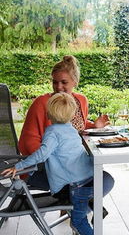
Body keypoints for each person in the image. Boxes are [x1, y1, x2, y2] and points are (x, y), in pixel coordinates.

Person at [1, 93, 114, 235]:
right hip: (89, 176)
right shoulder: (71, 129)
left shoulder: (52, 132)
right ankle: (95, 204)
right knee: (76, 199)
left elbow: (42, 154)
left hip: (77, 186)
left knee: (78, 220)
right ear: (72, 114)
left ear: (48, 114)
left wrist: (20, 166)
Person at [18, 55, 109, 190]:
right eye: (55, 82)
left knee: (104, 179)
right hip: (47, 168)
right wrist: (56, 161)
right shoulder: (43, 103)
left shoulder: (81, 101)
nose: (58, 87)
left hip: (74, 163)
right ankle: (80, 206)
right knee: (101, 181)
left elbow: (74, 125)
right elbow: (28, 142)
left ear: (75, 81)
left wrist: (93, 125)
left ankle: (77, 205)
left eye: (64, 82)